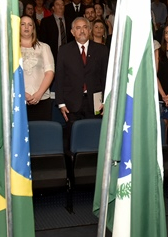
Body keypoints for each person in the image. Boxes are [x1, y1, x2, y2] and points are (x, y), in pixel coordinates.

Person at [55, 17, 108, 155]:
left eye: (85, 27)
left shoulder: (102, 50)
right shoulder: (64, 50)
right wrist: (61, 103)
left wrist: (106, 101)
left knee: (94, 138)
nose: (82, 31)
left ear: (89, 30)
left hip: (96, 104)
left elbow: (106, 77)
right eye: (78, 28)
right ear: (72, 32)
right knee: (73, 139)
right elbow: (59, 78)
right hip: (71, 103)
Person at [20, 16, 55, 121]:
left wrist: (39, 94)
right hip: (18, 100)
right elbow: (8, 75)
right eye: (23, 24)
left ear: (33, 28)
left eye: (30, 24)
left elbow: (49, 72)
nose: (26, 27)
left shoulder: (44, 47)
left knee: (41, 130)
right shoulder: (11, 49)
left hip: (42, 99)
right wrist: (22, 94)